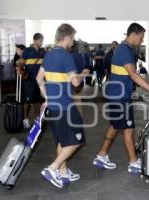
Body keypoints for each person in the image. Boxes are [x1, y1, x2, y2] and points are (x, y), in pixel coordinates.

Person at [92, 23, 149, 174]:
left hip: (115, 94)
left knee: (115, 125)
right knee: (128, 129)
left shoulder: (121, 48)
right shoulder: (126, 50)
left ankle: (101, 155)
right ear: (133, 34)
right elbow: (133, 75)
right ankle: (133, 162)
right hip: (120, 97)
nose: (141, 40)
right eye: (141, 37)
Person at [36, 23, 89, 188]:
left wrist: (47, 96)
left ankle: (63, 172)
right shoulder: (67, 56)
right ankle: (52, 168)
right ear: (66, 37)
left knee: (62, 141)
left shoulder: (49, 55)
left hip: (53, 107)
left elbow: (39, 79)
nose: (72, 43)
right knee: (77, 139)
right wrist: (84, 73)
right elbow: (75, 82)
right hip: (65, 107)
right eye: (72, 39)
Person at [16, 33, 46, 129]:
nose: (41, 42)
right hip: (29, 80)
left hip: (40, 80)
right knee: (27, 101)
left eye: (42, 40)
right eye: (40, 40)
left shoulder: (43, 51)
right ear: (35, 41)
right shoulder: (27, 51)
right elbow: (21, 62)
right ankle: (25, 120)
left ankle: (37, 120)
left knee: (38, 101)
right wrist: (21, 70)